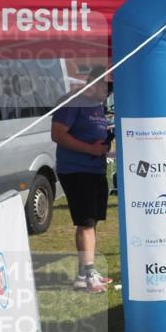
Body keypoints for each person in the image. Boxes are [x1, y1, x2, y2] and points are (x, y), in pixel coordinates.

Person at [50, 67, 114, 293]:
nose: (109, 93)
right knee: (85, 222)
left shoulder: (98, 104)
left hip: (95, 169)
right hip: (76, 170)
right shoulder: (73, 101)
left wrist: (103, 146)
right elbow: (57, 134)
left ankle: (83, 273)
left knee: (92, 220)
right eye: (107, 87)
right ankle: (88, 273)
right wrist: (89, 148)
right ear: (94, 83)